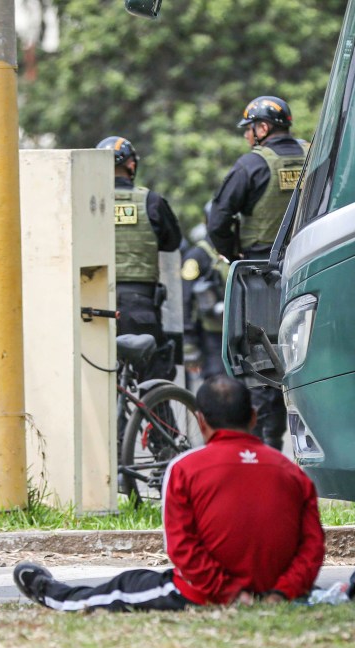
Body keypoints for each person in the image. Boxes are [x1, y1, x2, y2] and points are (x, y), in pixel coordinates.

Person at [14, 375, 324, 611]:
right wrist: (281, 593)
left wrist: (231, 592)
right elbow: (312, 547)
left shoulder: (185, 468)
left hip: (202, 594)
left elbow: (183, 549)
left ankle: (50, 594)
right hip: (284, 592)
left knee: (122, 588)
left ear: (200, 422)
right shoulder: (293, 472)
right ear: (254, 418)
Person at [206, 96, 307, 451]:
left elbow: (218, 219)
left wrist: (233, 253)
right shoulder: (316, 154)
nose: (249, 136)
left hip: (262, 273)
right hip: (311, 261)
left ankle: (267, 448)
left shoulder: (252, 164)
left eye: (250, 129)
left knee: (263, 362)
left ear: (262, 128)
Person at [96, 136, 182, 382]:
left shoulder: (89, 203)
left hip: (95, 303)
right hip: (140, 305)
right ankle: (154, 417)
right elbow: (172, 241)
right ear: (131, 165)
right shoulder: (151, 201)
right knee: (152, 375)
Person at [181, 217, 229, 388]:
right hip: (211, 332)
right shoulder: (197, 256)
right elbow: (186, 298)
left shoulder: (236, 249)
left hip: (232, 330)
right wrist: (189, 339)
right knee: (217, 380)